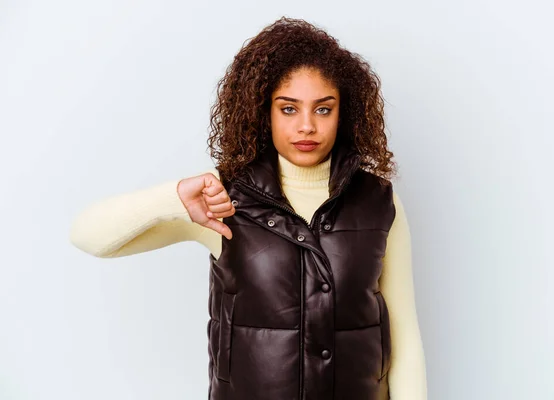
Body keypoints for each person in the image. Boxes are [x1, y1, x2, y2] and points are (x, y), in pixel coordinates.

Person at [70, 16, 427, 400]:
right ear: (263, 111)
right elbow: (88, 236)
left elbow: (404, 338)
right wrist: (171, 198)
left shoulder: (377, 202)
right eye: (288, 109)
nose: (306, 126)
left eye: (323, 109)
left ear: (344, 113)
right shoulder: (220, 200)